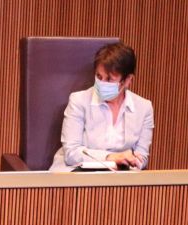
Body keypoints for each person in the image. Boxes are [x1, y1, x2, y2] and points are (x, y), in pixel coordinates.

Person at [49, 42, 154, 171]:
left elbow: (142, 157)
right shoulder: (78, 101)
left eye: (109, 79)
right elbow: (72, 153)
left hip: (120, 176)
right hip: (77, 172)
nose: (102, 83)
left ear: (128, 80)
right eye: (99, 76)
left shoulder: (144, 108)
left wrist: (133, 161)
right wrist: (111, 157)